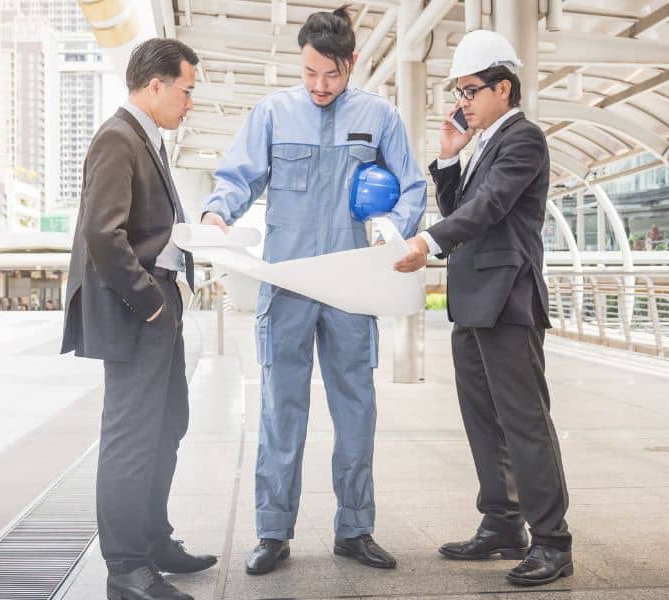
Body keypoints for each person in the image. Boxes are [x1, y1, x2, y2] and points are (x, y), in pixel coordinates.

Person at [201, 6, 426, 576]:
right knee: (282, 409)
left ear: (351, 62)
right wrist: (215, 215)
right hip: (290, 283)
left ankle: (355, 528)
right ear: (299, 64)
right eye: (309, 73)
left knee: (357, 409)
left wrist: (394, 226)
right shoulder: (273, 113)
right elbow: (237, 177)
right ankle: (273, 532)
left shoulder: (380, 117)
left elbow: (412, 186)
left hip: (352, 285)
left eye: (331, 74)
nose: (320, 86)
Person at [394, 29, 573, 587]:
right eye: (458, 92)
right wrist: (448, 161)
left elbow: (490, 208)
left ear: (504, 87)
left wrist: (425, 242)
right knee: (482, 422)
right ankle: (502, 523)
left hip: (508, 302)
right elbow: (465, 209)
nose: (461, 102)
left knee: (525, 424)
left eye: (469, 91)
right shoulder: (483, 146)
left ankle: (552, 541)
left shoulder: (523, 139)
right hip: (473, 302)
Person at [60, 38, 216, 600]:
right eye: (187, 89)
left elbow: (150, 227)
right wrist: (150, 302)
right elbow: (104, 232)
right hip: (137, 312)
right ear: (156, 85)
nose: (189, 102)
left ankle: (154, 540)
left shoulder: (144, 138)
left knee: (168, 424)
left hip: (157, 307)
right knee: (131, 438)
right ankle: (127, 568)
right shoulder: (117, 137)